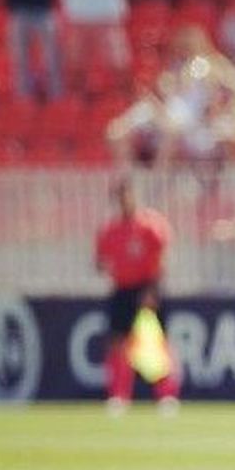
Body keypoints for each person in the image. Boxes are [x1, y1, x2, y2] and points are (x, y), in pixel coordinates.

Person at [94, 177, 180, 414]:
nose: (124, 201)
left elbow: (161, 258)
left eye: (127, 195)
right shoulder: (110, 230)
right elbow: (100, 261)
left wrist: (152, 289)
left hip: (147, 288)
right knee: (118, 344)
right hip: (122, 290)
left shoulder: (149, 225)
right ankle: (119, 396)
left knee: (155, 343)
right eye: (119, 196)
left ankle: (166, 395)